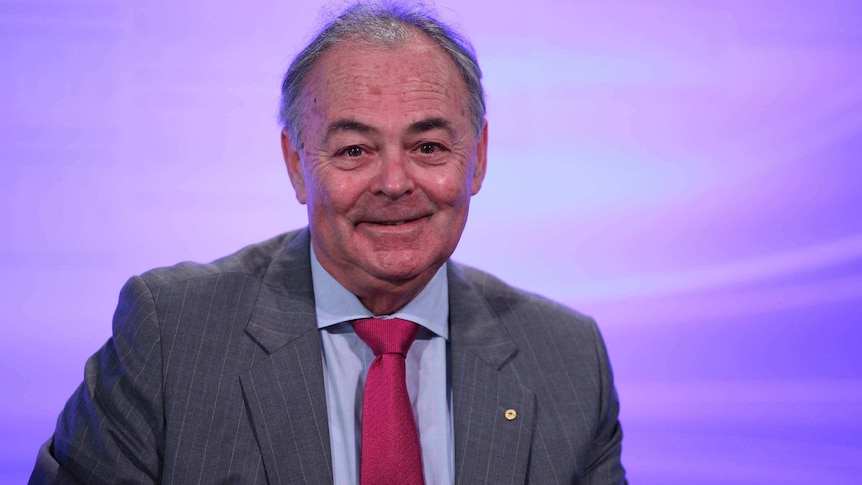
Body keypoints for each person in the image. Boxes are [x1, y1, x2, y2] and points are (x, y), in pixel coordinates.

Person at [31, 1, 626, 483]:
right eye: (353, 151)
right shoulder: (172, 335)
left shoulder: (569, 360)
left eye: (428, 147)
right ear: (296, 165)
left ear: (478, 159)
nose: (395, 183)